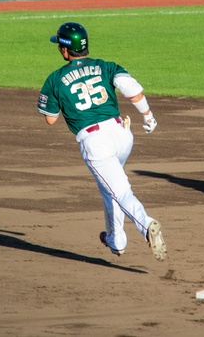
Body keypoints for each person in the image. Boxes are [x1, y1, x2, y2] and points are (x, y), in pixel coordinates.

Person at [38, 22, 167, 260]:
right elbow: (133, 91)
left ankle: (146, 225)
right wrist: (148, 116)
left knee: (120, 190)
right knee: (109, 188)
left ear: (66, 50)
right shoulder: (106, 66)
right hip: (122, 135)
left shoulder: (55, 79)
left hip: (96, 142)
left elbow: (50, 120)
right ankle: (116, 240)